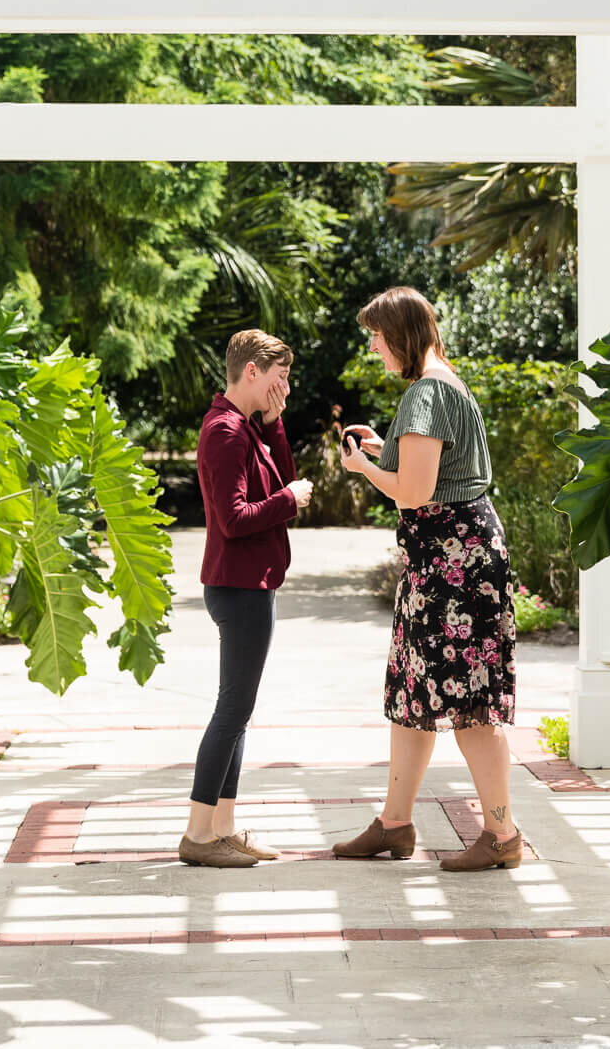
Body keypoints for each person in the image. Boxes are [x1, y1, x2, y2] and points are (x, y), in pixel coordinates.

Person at [335, 287, 523, 871]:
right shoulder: (447, 384)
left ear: (402, 335)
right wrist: (383, 449)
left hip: (452, 566)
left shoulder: (426, 392)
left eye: (377, 336)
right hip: (452, 559)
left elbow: (415, 492)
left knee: (469, 703)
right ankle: (394, 825)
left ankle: (502, 835)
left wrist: (364, 466)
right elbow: (426, 472)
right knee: (415, 696)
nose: (374, 347)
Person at [180, 329, 315, 868]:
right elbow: (235, 519)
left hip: (250, 584)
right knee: (232, 710)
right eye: (278, 380)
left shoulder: (245, 426)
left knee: (239, 711)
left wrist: (275, 422)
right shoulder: (224, 432)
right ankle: (198, 834)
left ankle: (223, 828)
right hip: (238, 588)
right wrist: (288, 499)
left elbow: (281, 476)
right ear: (252, 371)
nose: (282, 389)